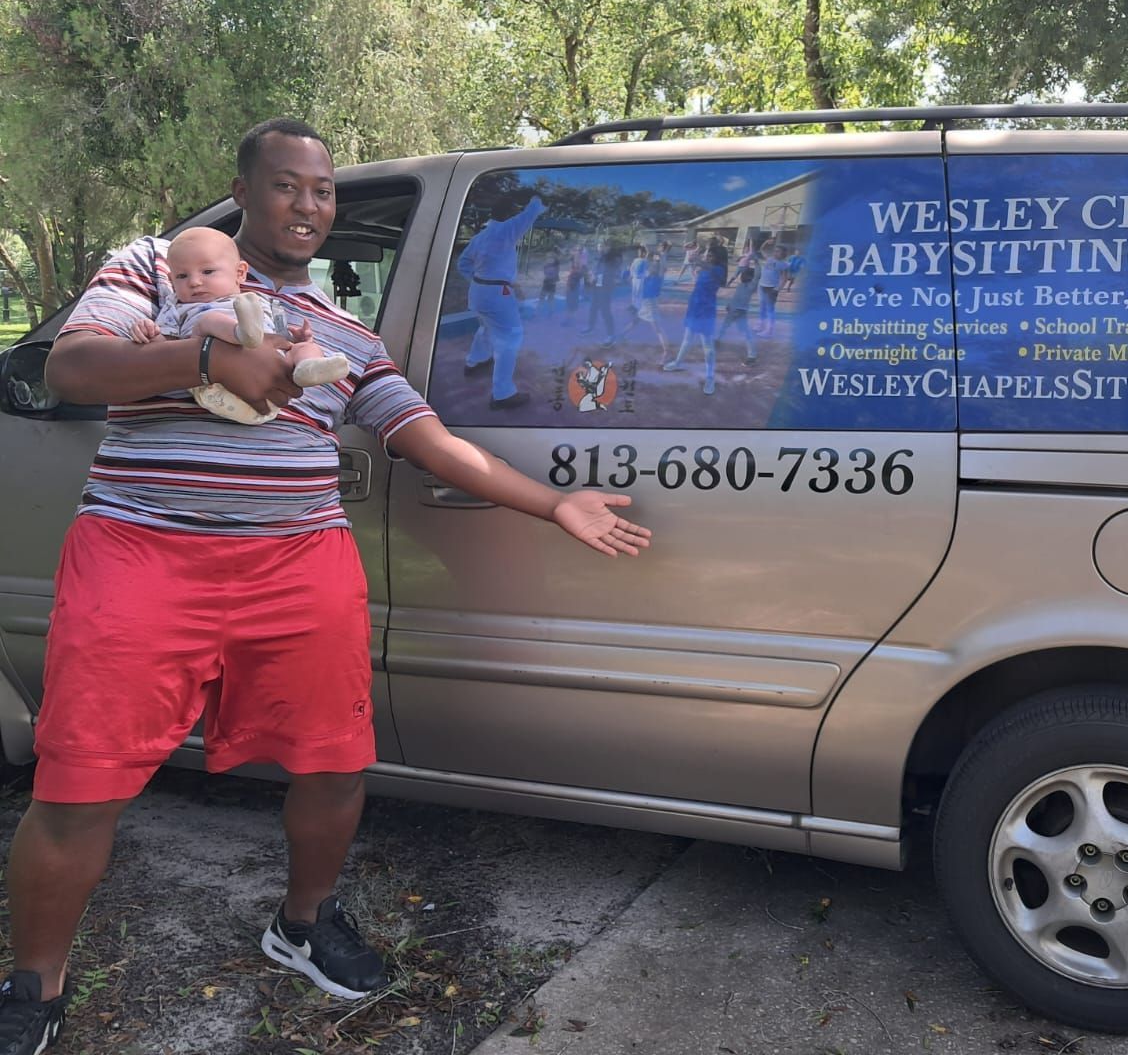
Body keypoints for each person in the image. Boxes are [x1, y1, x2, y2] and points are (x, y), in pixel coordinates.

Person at [0, 119, 651, 1055]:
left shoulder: (344, 334)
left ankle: (302, 924)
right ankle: (37, 980)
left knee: (335, 761)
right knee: (79, 779)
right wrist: (204, 360)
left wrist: (553, 506)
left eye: (322, 190)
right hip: (142, 554)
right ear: (244, 188)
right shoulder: (162, 266)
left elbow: (426, 437)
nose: (307, 206)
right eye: (286, 186)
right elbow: (72, 366)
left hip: (298, 564)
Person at [131, 226, 349, 425]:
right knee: (208, 320)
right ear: (171, 281)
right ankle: (241, 333)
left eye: (207, 272)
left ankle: (309, 369)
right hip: (214, 388)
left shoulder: (257, 302)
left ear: (240, 273)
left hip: (275, 391)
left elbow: (280, 340)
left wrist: (297, 340)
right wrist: (149, 332)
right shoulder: (178, 307)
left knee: (305, 348)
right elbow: (164, 345)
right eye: (182, 276)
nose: (194, 282)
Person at [457, 192, 547, 410]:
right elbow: (530, 213)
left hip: (478, 290)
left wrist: (478, 280)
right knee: (511, 337)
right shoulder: (508, 230)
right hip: (498, 292)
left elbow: (462, 263)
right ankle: (502, 393)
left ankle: (474, 361)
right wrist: (537, 199)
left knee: (486, 327)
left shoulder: (479, 237)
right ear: (508, 214)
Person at [664, 236, 729, 394]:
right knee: (687, 339)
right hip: (694, 305)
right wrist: (700, 256)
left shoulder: (718, 270)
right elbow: (703, 265)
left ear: (718, 258)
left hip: (706, 310)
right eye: (708, 255)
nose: (708, 257)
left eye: (711, 255)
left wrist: (699, 260)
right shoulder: (706, 267)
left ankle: (710, 377)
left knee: (707, 346)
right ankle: (678, 362)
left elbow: (710, 269)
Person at [714, 264, 759, 365]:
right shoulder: (741, 285)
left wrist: (757, 261)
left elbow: (757, 276)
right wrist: (730, 304)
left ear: (751, 277)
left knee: (745, 333)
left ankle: (752, 356)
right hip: (733, 310)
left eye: (745, 275)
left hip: (740, 311)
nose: (742, 276)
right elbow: (736, 297)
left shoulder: (751, 286)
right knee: (724, 326)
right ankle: (718, 340)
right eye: (743, 274)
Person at [756, 238, 784, 336]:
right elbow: (761, 250)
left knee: (769, 309)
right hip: (762, 286)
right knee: (762, 307)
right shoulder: (769, 259)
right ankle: (760, 325)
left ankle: (769, 330)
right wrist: (766, 242)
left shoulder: (783, 264)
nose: (775, 252)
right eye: (775, 251)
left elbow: (784, 278)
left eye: (778, 251)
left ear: (783, 254)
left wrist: (777, 289)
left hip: (771, 289)